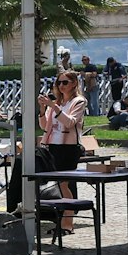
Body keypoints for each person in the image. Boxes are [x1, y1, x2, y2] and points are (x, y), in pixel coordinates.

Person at [40, 73, 87, 233]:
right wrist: (43, 109)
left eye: (65, 82)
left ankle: (68, 223)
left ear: (74, 83)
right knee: (59, 185)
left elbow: (69, 122)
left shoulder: (79, 101)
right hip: (53, 145)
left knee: (64, 184)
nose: (61, 86)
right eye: (58, 82)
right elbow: (44, 126)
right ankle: (62, 221)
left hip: (69, 147)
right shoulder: (58, 103)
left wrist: (53, 107)